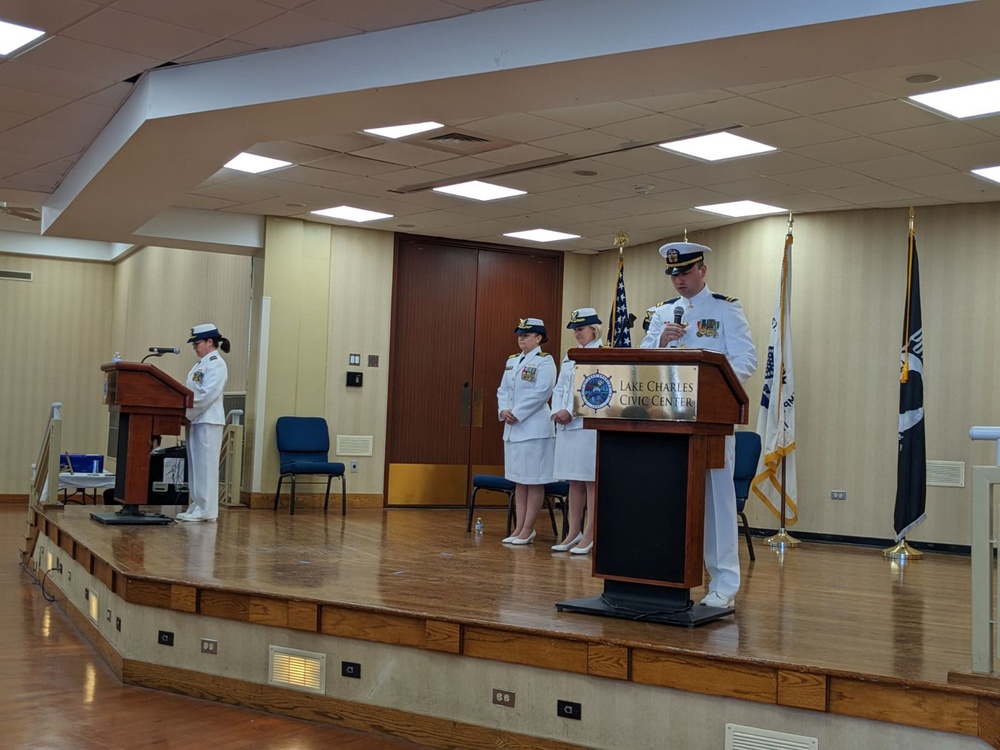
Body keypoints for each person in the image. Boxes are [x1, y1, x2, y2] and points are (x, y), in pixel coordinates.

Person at [640, 242, 756, 608]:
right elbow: (644, 361)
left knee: (717, 505)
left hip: (712, 423)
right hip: (669, 422)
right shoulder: (661, 314)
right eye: (673, 274)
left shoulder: (725, 309)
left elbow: (745, 360)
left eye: (685, 272)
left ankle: (724, 583)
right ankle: (668, 575)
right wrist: (661, 341)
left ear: (703, 271)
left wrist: (711, 391)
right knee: (671, 500)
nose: (678, 280)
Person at [497, 317, 556, 545]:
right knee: (520, 481)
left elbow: (542, 392)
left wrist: (517, 413)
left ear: (538, 338)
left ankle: (528, 529)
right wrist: (503, 410)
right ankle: (519, 528)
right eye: (519, 334)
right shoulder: (512, 360)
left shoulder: (544, 361)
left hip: (533, 428)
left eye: (526, 334)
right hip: (513, 429)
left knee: (534, 480)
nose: (521, 338)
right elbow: (503, 389)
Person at [550, 308, 603, 555]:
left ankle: (590, 533)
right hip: (566, 426)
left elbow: (595, 389)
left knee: (590, 480)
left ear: (594, 329)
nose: (577, 334)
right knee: (574, 480)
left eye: (581, 329)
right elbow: (560, 386)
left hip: (587, 426)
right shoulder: (569, 356)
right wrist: (557, 410)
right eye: (574, 330)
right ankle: (573, 532)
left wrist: (570, 410)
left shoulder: (603, 355)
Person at [178, 323, 230, 522]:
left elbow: (208, 395)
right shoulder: (200, 364)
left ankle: (207, 509)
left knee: (206, 466)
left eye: (197, 343)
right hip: (197, 419)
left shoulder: (216, 363)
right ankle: (198, 504)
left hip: (208, 420)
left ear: (210, 342)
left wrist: (187, 414)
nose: (195, 347)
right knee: (196, 465)